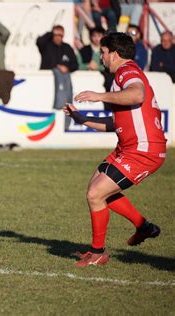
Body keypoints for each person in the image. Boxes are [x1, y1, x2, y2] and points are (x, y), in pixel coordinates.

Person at [63, 32, 166, 267]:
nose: (101, 57)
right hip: (128, 148)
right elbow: (115, 123)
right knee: (96, 189)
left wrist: (98, 95)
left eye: (103, 53)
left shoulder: (126, 71)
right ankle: (143, 227)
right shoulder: (123, 75)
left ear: (115, 54)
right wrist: (81, 119)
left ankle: (97, 252)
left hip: (144, 151)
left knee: (95, 194)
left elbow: (137, 93)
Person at [37, 25, 78, 109]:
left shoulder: (67, 47)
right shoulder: (46, 46)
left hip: (64, 85)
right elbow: (39, 41)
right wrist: (50, 33)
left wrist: (67, 68)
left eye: (60, 35)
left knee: (67, 106)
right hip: (47, 84)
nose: (58, 37)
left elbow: (75, 64)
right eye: (56, 35)